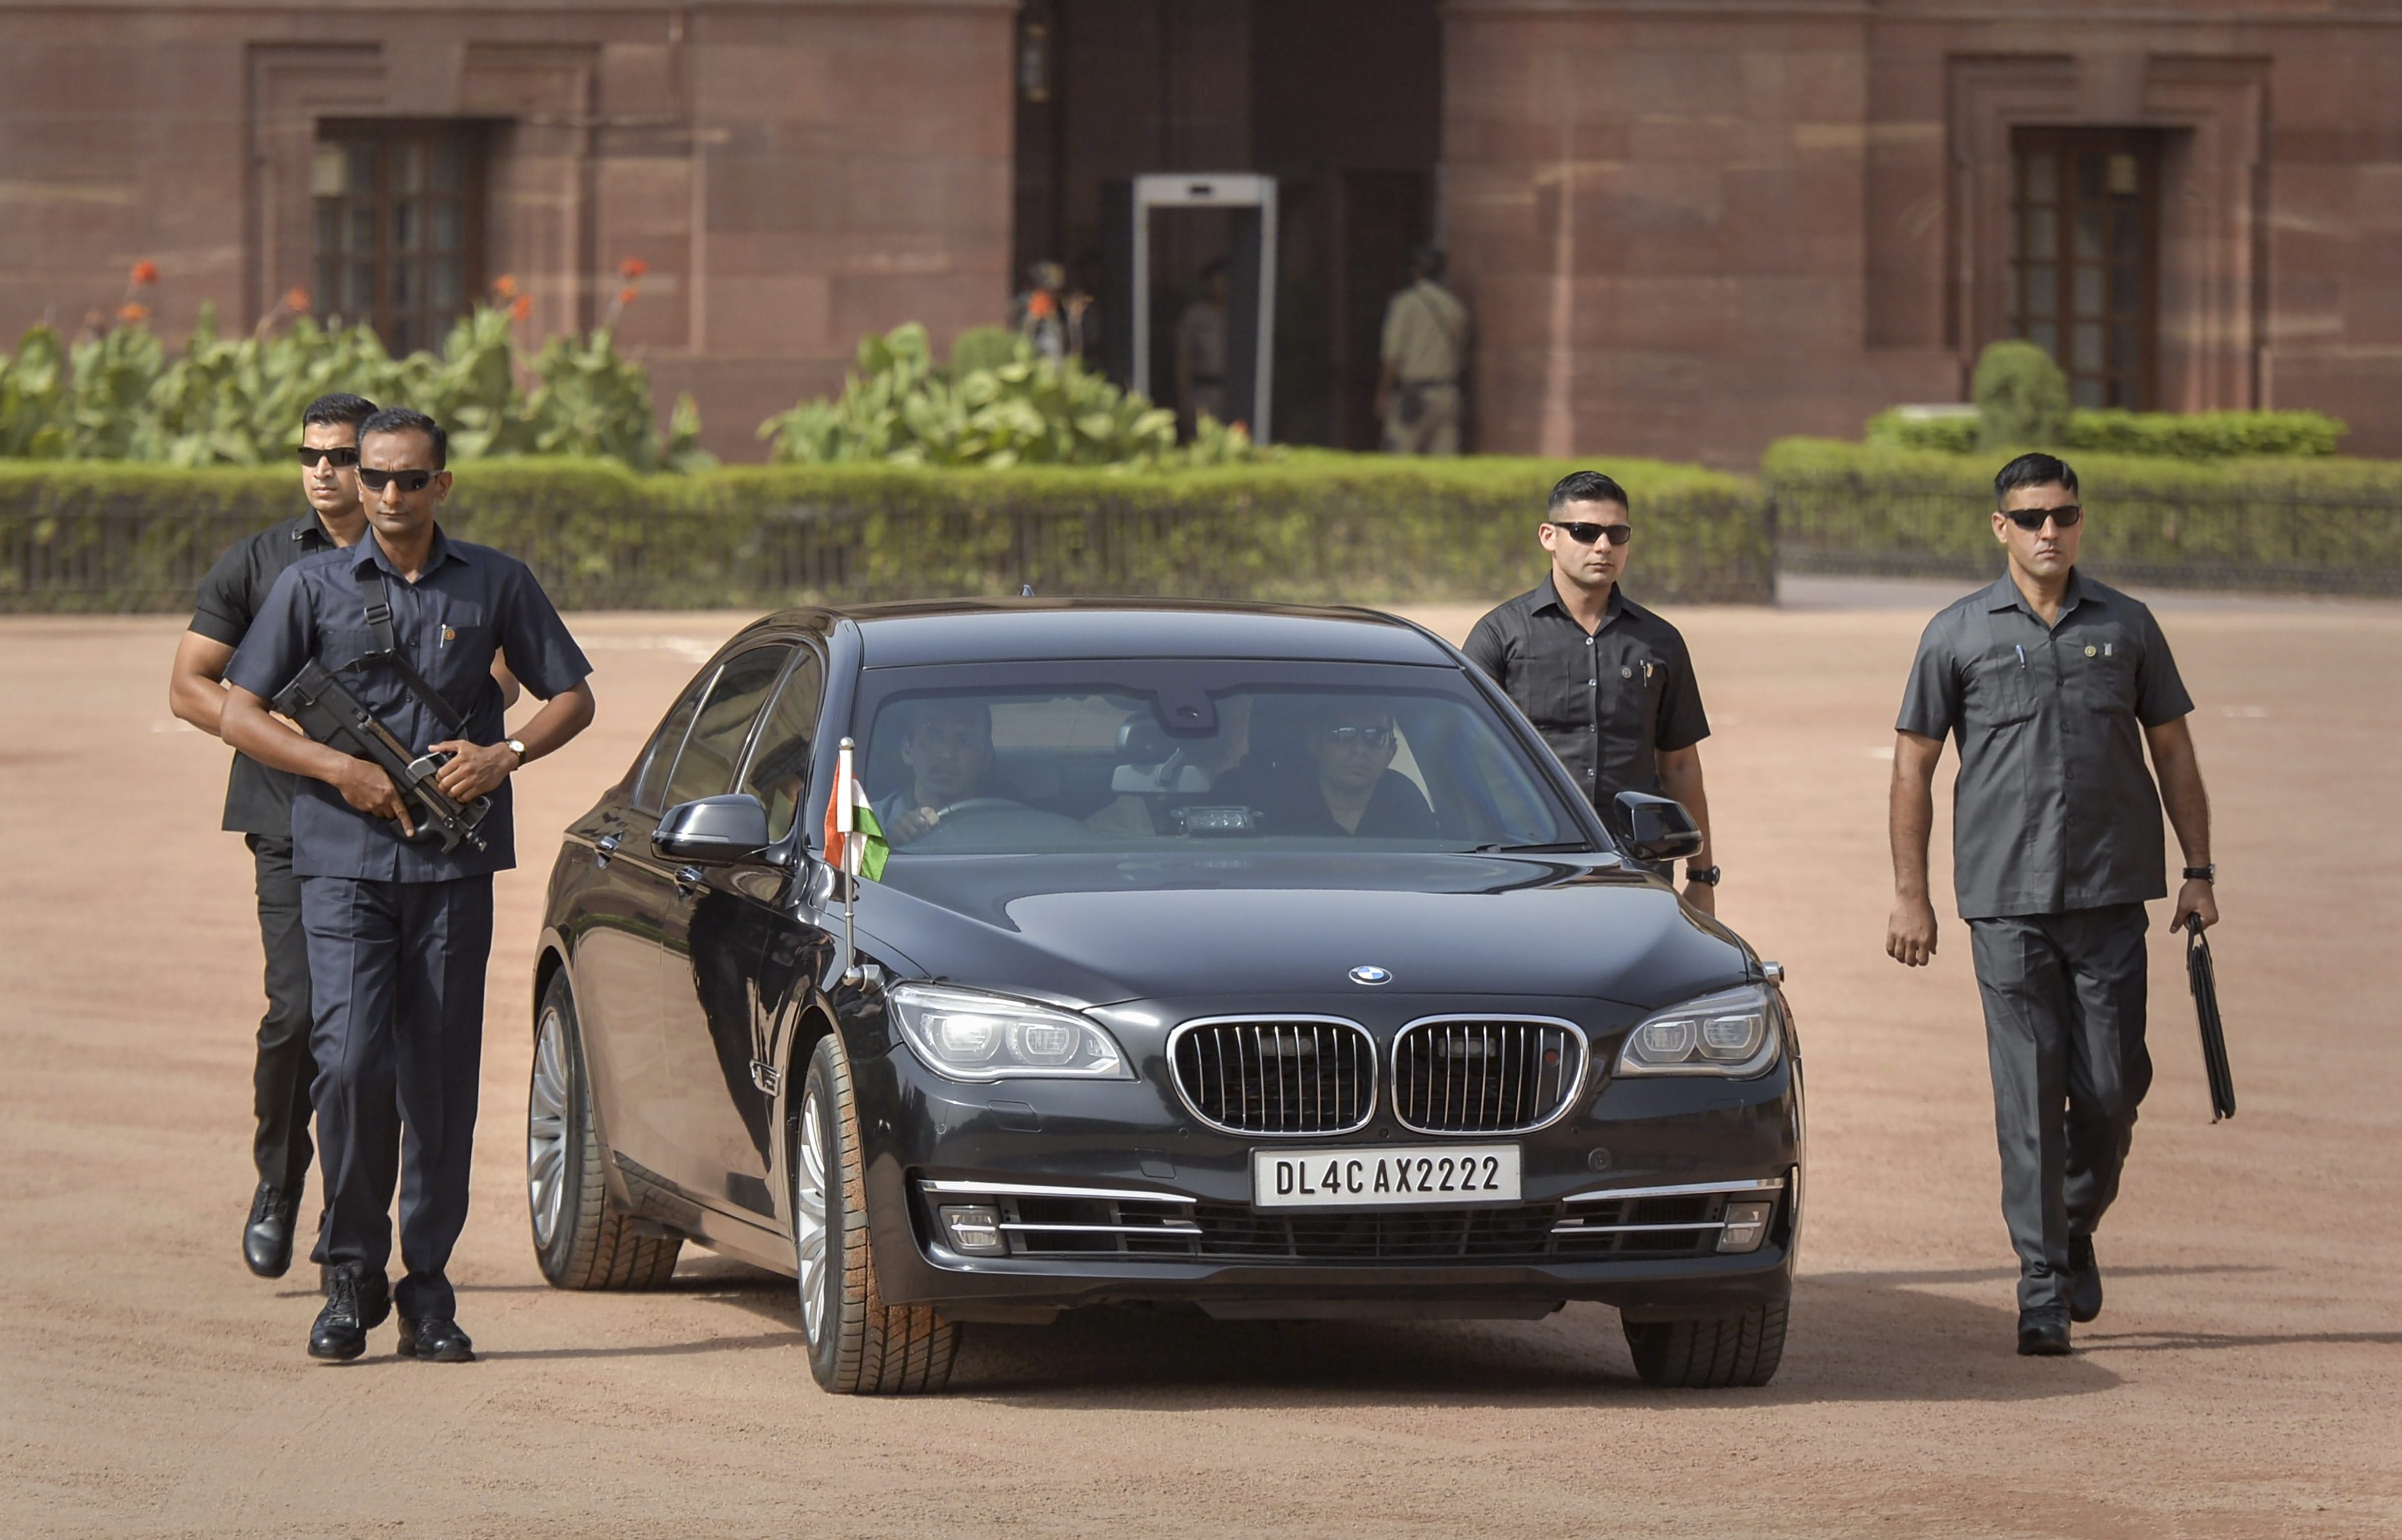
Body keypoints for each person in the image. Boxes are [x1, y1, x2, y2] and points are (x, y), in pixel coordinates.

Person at [218, 407, 596, 1363]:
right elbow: (238, 709)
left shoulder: (498, 581)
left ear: (442, 486)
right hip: (341, 862)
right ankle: (351, 1272)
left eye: (408, 478)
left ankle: (427, 1283)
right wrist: (336, 770)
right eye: (375, 476)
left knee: (438, 1079)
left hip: (454, 867)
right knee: (348, 1067)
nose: (388, 494)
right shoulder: (310, 584)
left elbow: (572, 696)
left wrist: (502, 754)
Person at [167, 393, 516, 1283]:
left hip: (417, 830)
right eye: (312, 454)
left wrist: (456, 733)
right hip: (296, 822)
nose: (327, 470)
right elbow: (197, 689)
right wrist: (316, 751)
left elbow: (506, 679)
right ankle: (283, 1185)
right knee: (308, 1018)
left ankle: (383, 1255)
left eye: (344, 456)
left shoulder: (449, 567)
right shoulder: (267, 566)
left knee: (414, 1046)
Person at [1886, 451, 2217, 1358]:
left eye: (2063, 515)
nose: (2048, 532)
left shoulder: (2129, 624)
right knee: (2029, 1096)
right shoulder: (1957, 633)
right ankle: (2040, 1284)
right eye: (2030, 516)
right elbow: (1914, 766)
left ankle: (2074, 1227)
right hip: (2004, 901)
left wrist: (2200, 868)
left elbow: (2174, 751)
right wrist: (1912, 895)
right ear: (2001, 526)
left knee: (2112, 1089)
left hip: (2113, 892)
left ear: (2079, 521)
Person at [1464, 470, 1718, 912]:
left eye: (1617, 534)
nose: (1603, 547)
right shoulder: (1499, 636)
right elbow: (1459, 757)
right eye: (1585, 532)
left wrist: (1702, 877)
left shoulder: (1660, 642)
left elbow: (1679, 765)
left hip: (1635, 869)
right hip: (1525, 866)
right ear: (1549, 536)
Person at [1247, 701, 1438, 839]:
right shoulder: (1275, 809)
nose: (1360, 750)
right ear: (1315, 745)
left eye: (1374, 736)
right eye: (1343, 734)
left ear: (1391, 751)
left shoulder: (1408, 806)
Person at [1375, 245, 1470, 456]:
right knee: (1445, 466)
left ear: (1415, 271)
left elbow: (1393, 356)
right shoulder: (1455, 307)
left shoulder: (1406, 304)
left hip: (1414, 394)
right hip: (1448, 393)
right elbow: (1462, 356)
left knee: (1399, 460)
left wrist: (1383, 393)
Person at [880, 699, 999, 846]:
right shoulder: (863, 824)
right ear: (907, 751)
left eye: (965, 740)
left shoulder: (1011, 827)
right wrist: (887, 847)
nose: (947, 754)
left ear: (986, 756)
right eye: (933, 737)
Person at [1175, 257, 1231, 436]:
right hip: (1204, 391)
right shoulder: (1195, 316)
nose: (1223, 287)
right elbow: (1183, 360)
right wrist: (1184, 400)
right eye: (1218, 281)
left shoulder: (1243, 314)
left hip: (1234, 390)